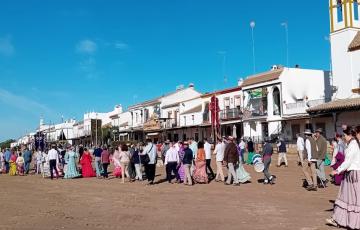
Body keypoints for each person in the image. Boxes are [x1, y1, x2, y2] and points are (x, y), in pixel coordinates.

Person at [326, 126, 360, 229]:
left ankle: (342, 220)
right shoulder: (352, 144)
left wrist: (337, 171)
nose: (344, 137)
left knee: (352, 199)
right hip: (351, 174)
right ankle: (339, 219)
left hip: (353, 174)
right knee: (347, 198)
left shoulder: (353, 145)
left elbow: (348, 162)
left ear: (350, 135)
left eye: (345, 135)